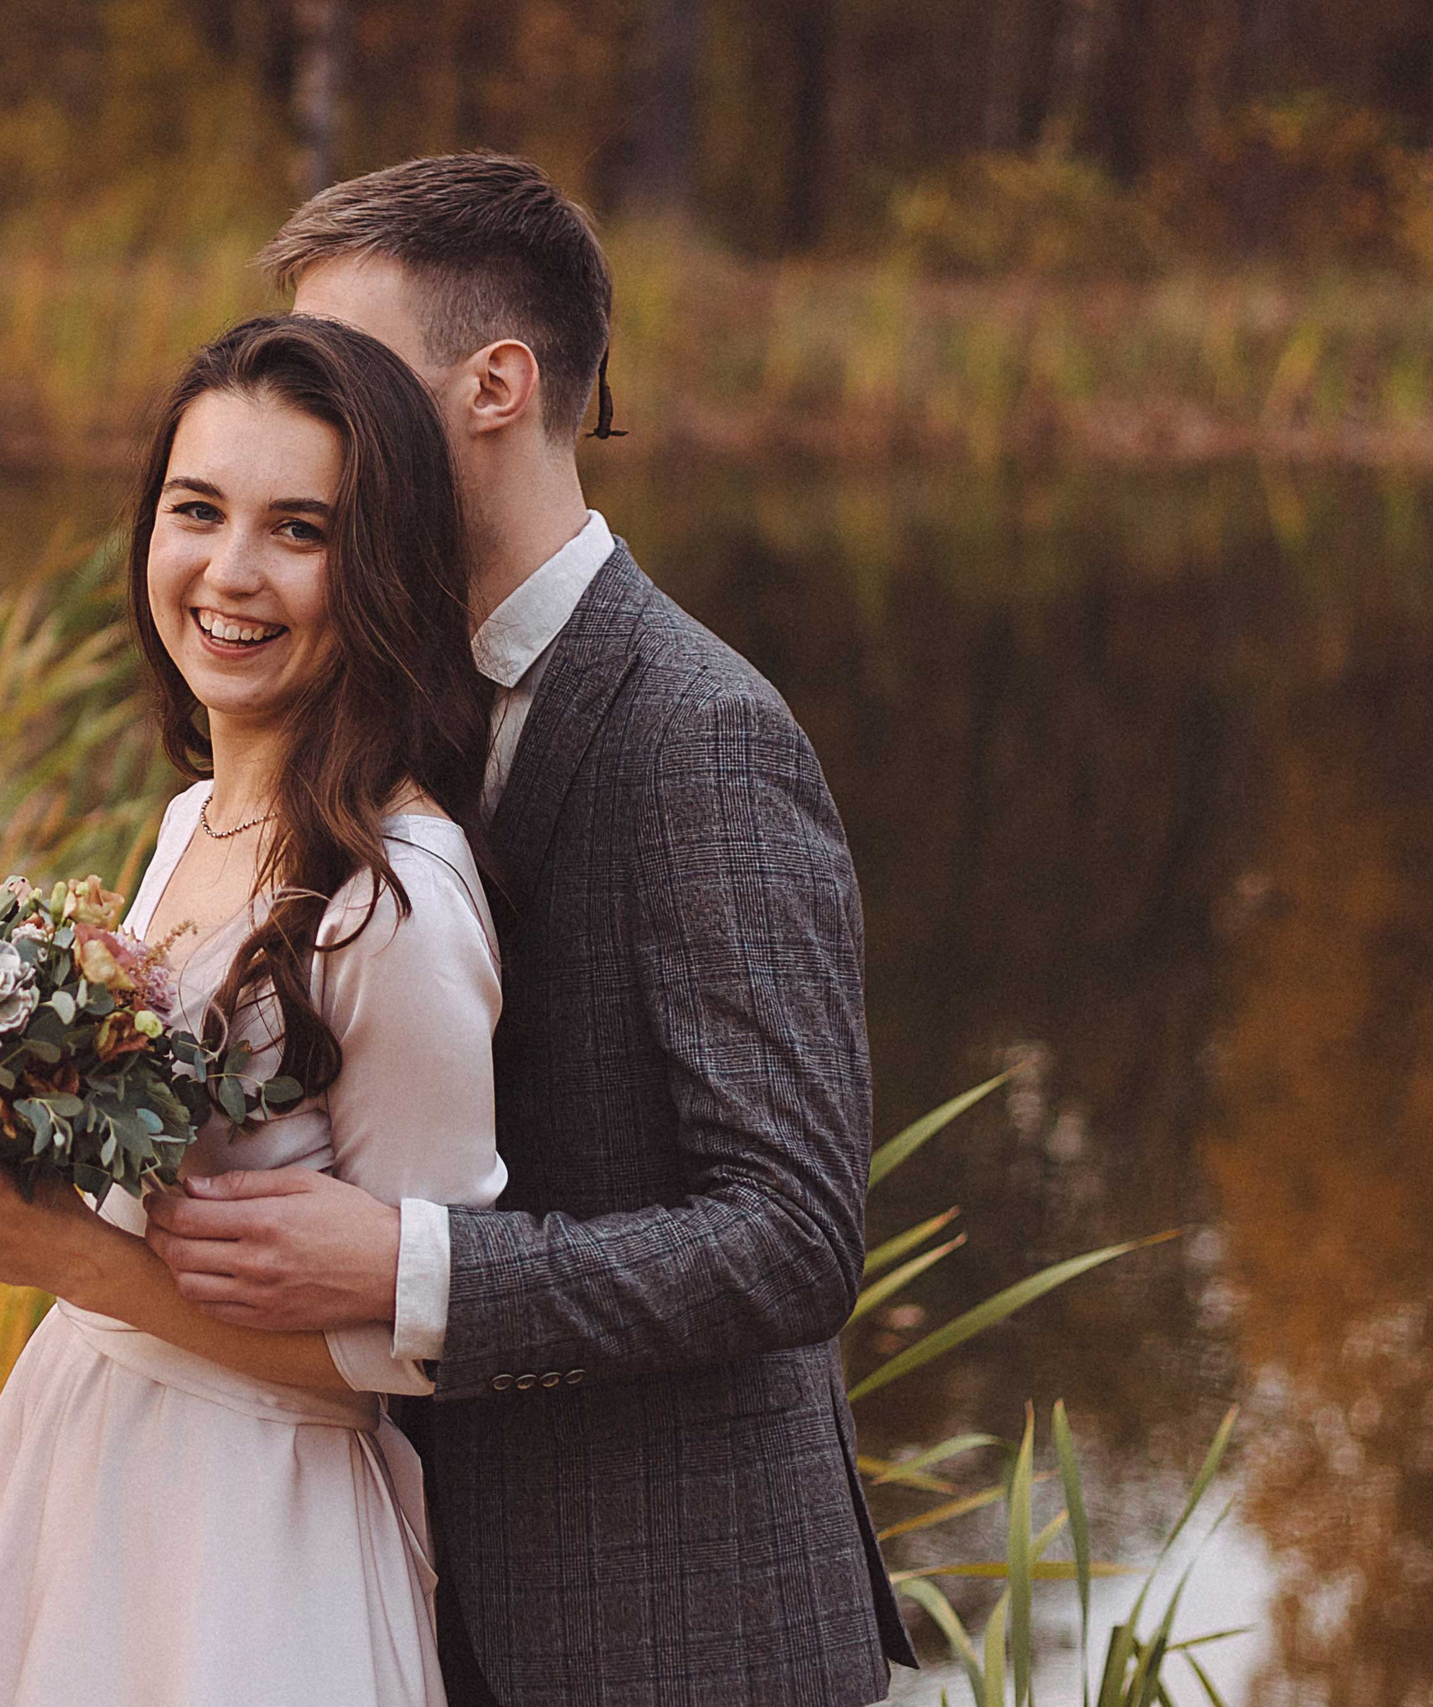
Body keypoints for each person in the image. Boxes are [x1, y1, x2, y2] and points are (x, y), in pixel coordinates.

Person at [140, 153, 919, 1705]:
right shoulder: (371, 693)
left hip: (676, 1634)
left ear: (494, 385)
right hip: (399, 1586)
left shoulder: (701, 731)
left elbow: (795, 1235)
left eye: (352, 372)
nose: (309, 411)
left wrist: (411, 1266)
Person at [0, 311, 508, 1706]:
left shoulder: (395, 899)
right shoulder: (189, 822)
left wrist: (65, 1260)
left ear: (378, 567)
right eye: (197, 510)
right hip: (89, 1460)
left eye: (298, 530)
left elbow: (430, 1355)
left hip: (257, 1537)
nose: (229, 571)